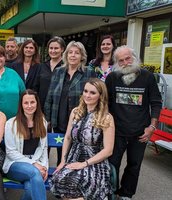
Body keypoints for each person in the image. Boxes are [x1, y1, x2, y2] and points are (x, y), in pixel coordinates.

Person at [105, 46, 162, 200]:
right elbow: (106, 103)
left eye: (128, 58)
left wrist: (152, 127)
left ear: (134, 57)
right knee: (112, 164)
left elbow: (156, 102)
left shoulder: (147, 77)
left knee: (134, 164)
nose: (125, 62)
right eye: (121, 60)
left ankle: (126, 193)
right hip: (116, 131)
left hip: (140, 132)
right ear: (116, 62)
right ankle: (110, 192)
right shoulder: (112, 78)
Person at [49, 78, 115, 199]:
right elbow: (68, 138)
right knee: (60, 179)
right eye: (85, 91)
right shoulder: (76, 112)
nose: (87, 95)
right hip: (73, 158)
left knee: (82, 183)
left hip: (94, 162)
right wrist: (63, 161)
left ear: (100, 96)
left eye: (92, 92)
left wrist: (84, 164)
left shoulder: (106, 118)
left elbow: (108, 150)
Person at [44, 41, 96, 165]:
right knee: (61, 152)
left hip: (79, 120)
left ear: (82, 56)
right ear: (66, 55)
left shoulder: (89, 72)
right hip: (59, 119)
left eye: (77, 53)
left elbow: (95, 96)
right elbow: (50, 95)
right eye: (70, 52)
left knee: (76, 154)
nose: (73, 55)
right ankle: (60, 176)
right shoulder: (59, 71)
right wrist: (47, 118)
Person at [3, 89, 48, 200]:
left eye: (32, 102)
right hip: (14, 164)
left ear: (37, 103)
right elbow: (11, 152)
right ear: (21, 105)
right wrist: (34, 164)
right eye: (26, 103)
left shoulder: (42, 122)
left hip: (36, 166)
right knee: (34, 173)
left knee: (31, 188)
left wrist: (44, 168)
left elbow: (43, 148)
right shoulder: (11, 124)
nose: (29, 106)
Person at [34, 36, 66, 112]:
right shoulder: (42, 66)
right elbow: (36, 87)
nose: (53, 51)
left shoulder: (66, 67)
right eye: (51, 48)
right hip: (42, 107)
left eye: (56, 48)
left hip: (59, 108)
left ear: (62, 49)